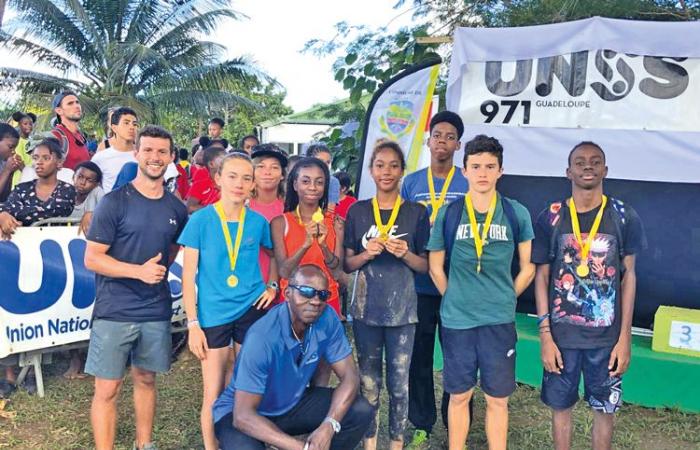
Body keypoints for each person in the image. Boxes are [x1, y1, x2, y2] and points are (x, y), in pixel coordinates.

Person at [531, 142, 645, 450]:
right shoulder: (551, 217)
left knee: (604, 411)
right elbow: (541, 276)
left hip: (606, 342)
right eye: (579, 162)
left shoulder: (623, 216)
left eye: (595, 161)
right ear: (567, 172)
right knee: (561, 411)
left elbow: (629, 277)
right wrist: (545, 336)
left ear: (605, 170)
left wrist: (625, 338)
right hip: (561, 338)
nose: (587, 166)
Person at [426, 134, 535, 450]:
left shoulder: (516, 213)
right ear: (465, 171)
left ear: (501, 170)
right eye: (476, 166)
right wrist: (453, 297)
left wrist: (507, 296)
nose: (483, 173)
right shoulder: (449, 213)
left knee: (497, 399)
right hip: (457, 321)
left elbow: (528, 266)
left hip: (498, 320)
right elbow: (435, 266)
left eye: (490, 166)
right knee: (459, 395)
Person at [83, 125, 188, 450]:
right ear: (136, 153)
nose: (155, 158)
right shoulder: (114, 202)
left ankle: (145, 444)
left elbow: (170, 253)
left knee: (146, 378)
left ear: (171, 158)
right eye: (148, 150)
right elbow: (92, 259)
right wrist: (138, 272)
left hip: (155, 309)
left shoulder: (176, 208)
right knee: (108, 388)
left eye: (161, 152)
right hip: (114, 309)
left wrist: (150, 274)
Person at [212, 264, 374, 450]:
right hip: (241, 411)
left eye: (322, 295)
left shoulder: (327, 318)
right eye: (306, 291)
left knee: (360, 409)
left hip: (290, 403)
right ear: (287, 293)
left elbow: (350, 377)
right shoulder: (263, 337)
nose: (315, 301)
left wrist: (329, 425)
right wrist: (301, 447)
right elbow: (243, 416)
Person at [179, 153, 278, 450]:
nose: (239, 183)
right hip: (214, 314)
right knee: (213, 389)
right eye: (232, 176)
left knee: (245, 384)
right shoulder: (200, 221)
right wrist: (193, 323)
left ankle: (242, 438)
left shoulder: (259, 222)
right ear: (218, 178)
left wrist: (272, 285)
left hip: (251, 309)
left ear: (253, 185)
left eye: (247, 178)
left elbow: (274, 257)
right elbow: (188, 277)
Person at [343, 141, 430, 450]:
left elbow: (425, 266)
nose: (387, 171)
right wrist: (367, 254)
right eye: (380, 165)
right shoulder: (358, 211)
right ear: (371, 170)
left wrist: (406, 254)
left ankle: (395, 443)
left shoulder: (416, 213)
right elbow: (347, 262)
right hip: (366, 312)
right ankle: (369, 443)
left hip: (403, 313)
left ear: (402, 171)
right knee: (368, 385)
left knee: (399, 385)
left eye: (394, 165)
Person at [399, 110, 469, 449]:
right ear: (429, 141)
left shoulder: (468, 181)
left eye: (450, 136)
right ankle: (422, 423)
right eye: (437, 135)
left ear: (458, 144)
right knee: (420, 356)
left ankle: (457, 421)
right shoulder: (412, 183)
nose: (443, 141)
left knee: (460, 356)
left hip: (459, 285)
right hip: (421, 285)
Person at [271, 157, 344, 317]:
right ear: (295, 185)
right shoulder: (280, 223)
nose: (312, 187)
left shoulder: (335, 224)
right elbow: (284, 272)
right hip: (293, 302)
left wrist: (323, 246)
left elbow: (337, 274)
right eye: (306, 181)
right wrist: (306, 245)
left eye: (319, 182)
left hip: (327, 300)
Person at [0, 137, 76, 238]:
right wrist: (3, 214)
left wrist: (10, 215)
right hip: (23, 245)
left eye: (46, 158)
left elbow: (50, 212)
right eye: (35, 158)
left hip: (54, 244)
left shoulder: (67, 189)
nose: (39, 162)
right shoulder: (22, 188)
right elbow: (5, 206)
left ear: (59, 163)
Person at [250, 143, 287, 292]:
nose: (267, 172)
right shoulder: (241, 207)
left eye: (274, 167)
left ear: (282, 174)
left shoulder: (290, 209)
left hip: (282, 290)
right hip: (245, 291)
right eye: (261, 166)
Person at [90, 107, 138, 192]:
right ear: (114, 128)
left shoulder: (144, 156)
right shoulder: (101, 157)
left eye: (134, 124)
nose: (132, 127)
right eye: (126, 123)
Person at [50, 91, 90, 170]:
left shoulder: (81, 136)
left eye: (77, 102)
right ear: (59, 111)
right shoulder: (56, 136)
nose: (77, 106)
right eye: (70, 103)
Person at [68, 161, 105, 236]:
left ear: (96, 184)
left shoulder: (97, 192)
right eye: (80, 177)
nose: (83, 182)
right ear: (73, 176)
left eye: (89, 180)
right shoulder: (64, 191)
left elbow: (107, 213)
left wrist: (92, 213)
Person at [186, 144, 226, 213]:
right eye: (223, 160)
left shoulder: (231, 183)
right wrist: (217, 210)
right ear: (211, 164)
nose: (228, 162)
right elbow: (190, 207)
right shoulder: (199, 185)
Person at [306, 143, 341, 211]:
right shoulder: (300, 178)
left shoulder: (332, 182)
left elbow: (330, 210)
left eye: (328, 162)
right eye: (320, 161)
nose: (325, 165)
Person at [11, 111, 34, 188]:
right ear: (19, 125)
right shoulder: (18, 141)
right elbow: (19, 162)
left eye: (31, 124)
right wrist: (29, 177)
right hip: (21, 179)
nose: (29, 126)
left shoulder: (32, 141)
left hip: (32, 177)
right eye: (25, 124)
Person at [0, 123, 21, 202]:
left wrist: (11, 171)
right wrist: (7, 171)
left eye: (15, 148)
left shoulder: (3, 161)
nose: (13, 151)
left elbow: (5, 194)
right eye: (10, 147)